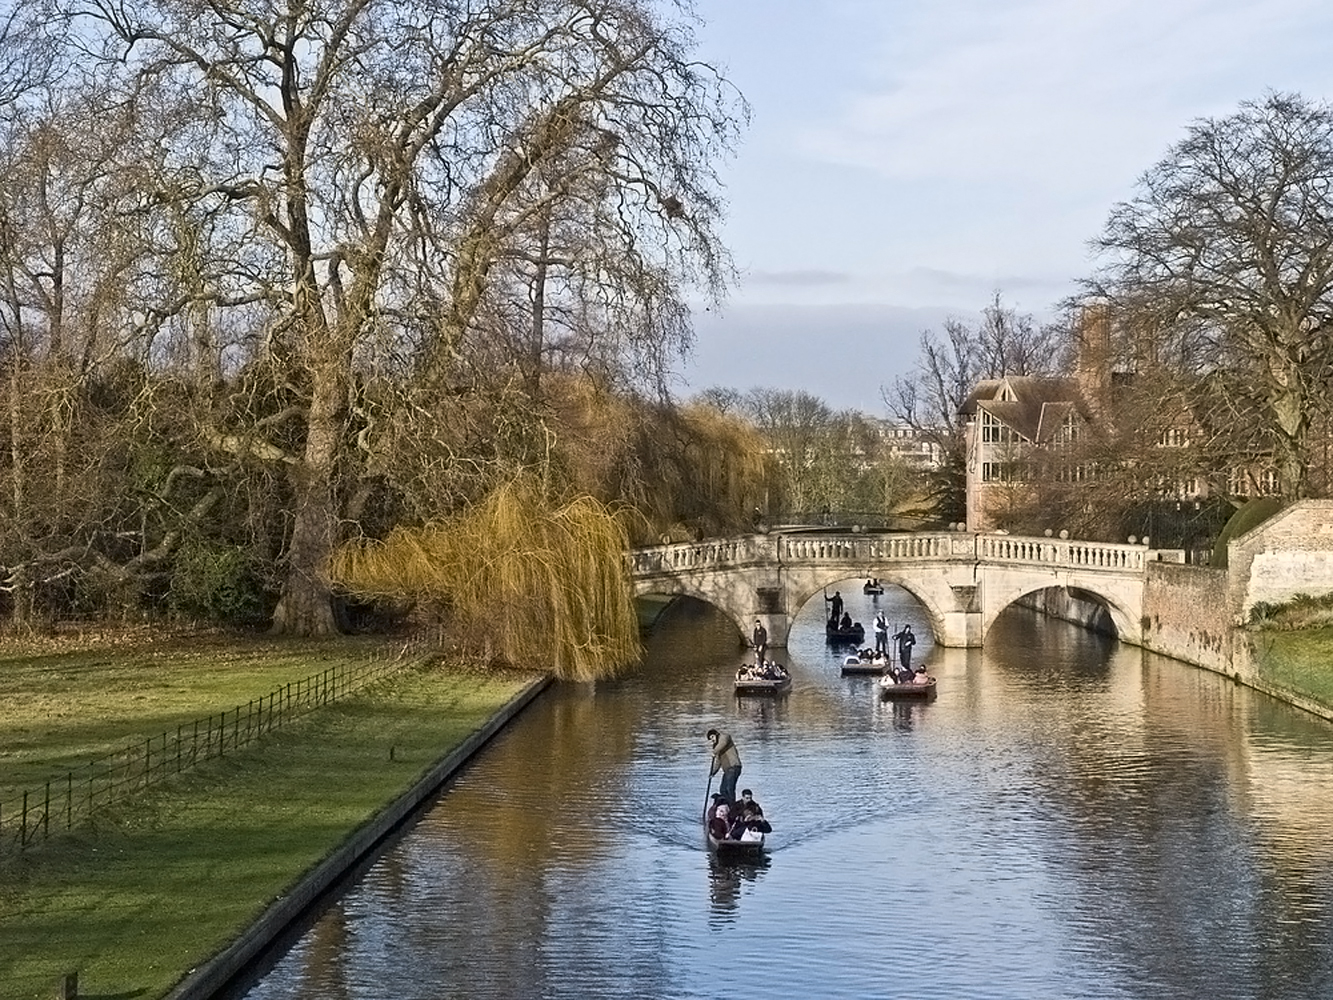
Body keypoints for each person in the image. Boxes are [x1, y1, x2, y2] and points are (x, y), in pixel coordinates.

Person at [707, 728, 742, 805]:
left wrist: (714, 751)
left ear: (716, 734)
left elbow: (723, 742)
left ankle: (732, 807)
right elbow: (718, 762)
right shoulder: (718, 748)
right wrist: (712, 773)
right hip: (727, 770)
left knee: (729, 789)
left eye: (712, 737)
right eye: (711, 739)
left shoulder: (724, 737)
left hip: (734, 767)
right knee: (723, 790)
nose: (712, 740)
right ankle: (727, 806)